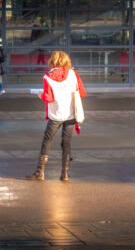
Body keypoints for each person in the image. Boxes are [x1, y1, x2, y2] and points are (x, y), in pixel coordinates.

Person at [26, 51, 87, 182]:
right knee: (66, 143)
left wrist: (40, 95)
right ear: (66, 61)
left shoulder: (47, 77)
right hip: (70, 115)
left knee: (47, 141)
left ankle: (40, 172)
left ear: (52, 61)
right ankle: (65, 174)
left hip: (55, 115)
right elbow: (82, 93)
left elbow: (48, 98)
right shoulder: (73, 74)